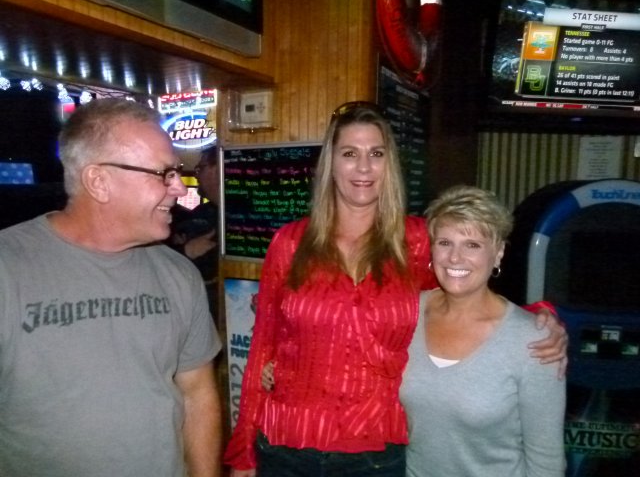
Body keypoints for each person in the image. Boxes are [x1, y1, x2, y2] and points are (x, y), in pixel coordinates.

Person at [224, 102, 567, 477]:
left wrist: (535, 318)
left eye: (376, 154)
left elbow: (465, 287)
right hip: (286, 444)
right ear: (330, 164)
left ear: (390, 164)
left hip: (375, 452)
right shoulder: (290, 243)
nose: (364, 167)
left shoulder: (417, 242)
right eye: (350, 154)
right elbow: (262, 346)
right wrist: (243, 455)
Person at [0, 98, 223, 477]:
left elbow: (197, 394)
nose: (177, 187)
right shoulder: (8, 267)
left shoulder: (177, 273)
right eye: (164, 173)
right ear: (99, 182)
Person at [400, 185, 566, 476]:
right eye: (445, 242)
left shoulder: (533, 340)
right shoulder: (404, 314)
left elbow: (546, 459)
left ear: (498, 252)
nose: (455, 258)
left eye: (472, 245)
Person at [169, 145, 220, 317]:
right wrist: (185, 251)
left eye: (201, 168)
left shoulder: (245, 215)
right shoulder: (192, 214)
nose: (196, 175)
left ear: (218, 169)